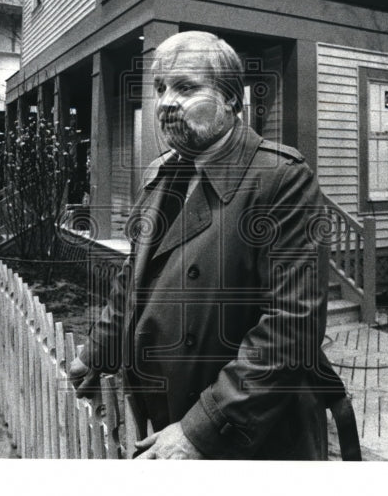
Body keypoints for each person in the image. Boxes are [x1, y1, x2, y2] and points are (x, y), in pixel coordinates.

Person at [69, 31, 357, 460]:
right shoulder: (162, 176)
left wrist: (201, 430)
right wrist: (96, 354)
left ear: (232, 101)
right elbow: (133, 282)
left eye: (186, 88)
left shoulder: (280, 179)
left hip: (247, 437)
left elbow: (290, 329)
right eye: (160, 88)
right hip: (162, 415)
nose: (166, 102)